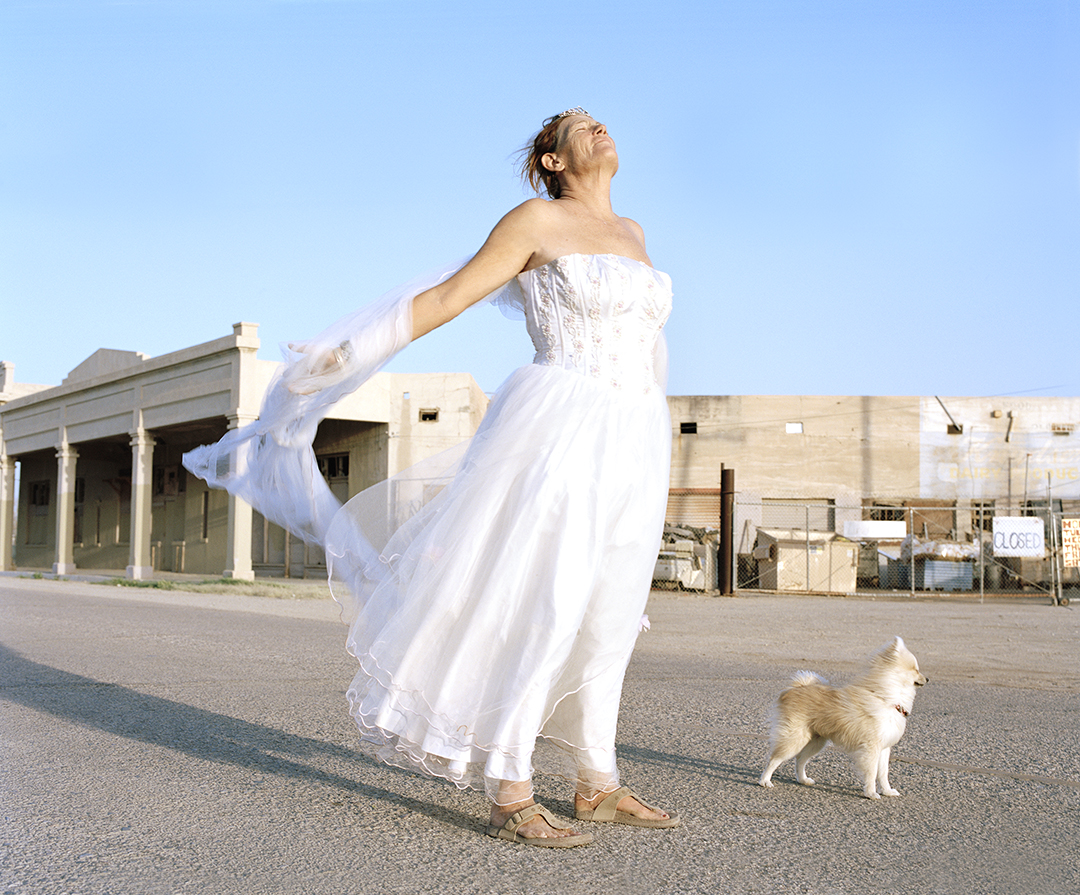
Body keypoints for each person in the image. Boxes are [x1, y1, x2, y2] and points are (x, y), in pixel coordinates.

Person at [184, 108, 678, 847]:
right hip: (560, 424)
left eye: (602, 120)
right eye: (580, 126)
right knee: (546, 599)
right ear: (551, 160)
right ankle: (511, 789)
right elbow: (447, 298)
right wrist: (347, 351)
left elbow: (647, 346)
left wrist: (652, 435)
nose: (600, 128)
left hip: (637, 432)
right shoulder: (534, 222)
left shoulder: (635, 235)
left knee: (610, 611)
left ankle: (596, 782)